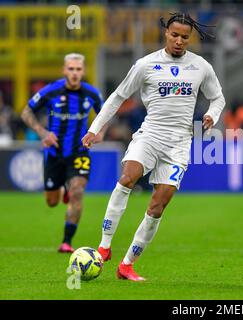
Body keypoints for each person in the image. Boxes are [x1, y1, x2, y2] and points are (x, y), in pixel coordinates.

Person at [82, 13, 225, 282]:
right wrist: (95, 128)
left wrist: (212, 115)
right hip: (150, 136)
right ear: (166, 33)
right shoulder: (146, 65)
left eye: (185, 37)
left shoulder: (201, 66)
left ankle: (127, 265)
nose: (179, 41)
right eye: (175, 35)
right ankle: (104, 245)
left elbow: (218, 98)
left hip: (180, 143)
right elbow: (118, 96)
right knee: (127, 178)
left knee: (159, 205)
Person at [21, 53, 104, 253]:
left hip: (79, 152)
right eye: (71, 69)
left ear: (83, 71)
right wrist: (43, 133)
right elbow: (26, 112)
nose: (75, 73)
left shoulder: (92, 94)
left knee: (77, 191)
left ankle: (66, 241)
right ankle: (61, 190)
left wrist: (100, 132)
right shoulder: (51, 91)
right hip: (54, 153)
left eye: (78, 69)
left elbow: (105, 115)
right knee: (51, 202)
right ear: (64, 70)